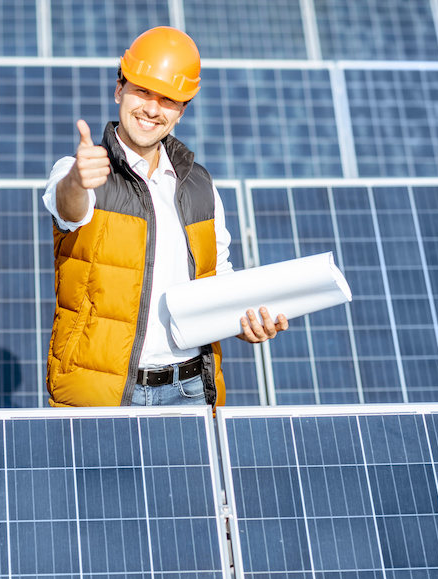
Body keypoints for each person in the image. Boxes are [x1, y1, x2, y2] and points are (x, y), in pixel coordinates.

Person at [42, 26, 288, 408]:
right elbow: (68, 207)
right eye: (142, 90)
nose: (153, 109)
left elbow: (216, 278)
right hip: (103, 393)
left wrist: (249, 322)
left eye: (168, 99)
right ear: (119, 89)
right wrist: (78, 178)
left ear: (183, 109)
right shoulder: (79, 172)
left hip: (190, 390)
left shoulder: (199, 185)